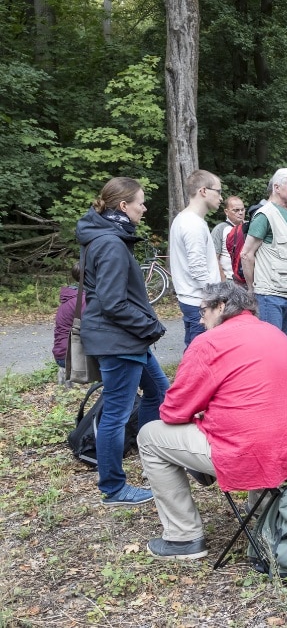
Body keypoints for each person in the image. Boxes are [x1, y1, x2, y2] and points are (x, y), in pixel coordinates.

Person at [137, 282, 287, 560]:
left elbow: (173, 411)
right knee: (258, 421)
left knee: (149, 435)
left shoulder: (208, 342)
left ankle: (183, 539)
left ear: (220, 306)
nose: (199, 317)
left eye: (203, 310)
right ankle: (267, 519)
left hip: (250, 449)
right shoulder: (273, 332)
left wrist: (199, 415)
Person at [75, 177, 170, 506]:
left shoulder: (105, 237)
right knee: (115, 414)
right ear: (122, 206)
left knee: (159, 391)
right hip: (119, 341)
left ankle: (152, 458)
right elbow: (113, 303)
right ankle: (113, 487)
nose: (144, 208)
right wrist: (149, 326)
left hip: (126, 340)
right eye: (140, 202)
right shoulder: (112, 243)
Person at [240, 168, 287, 338]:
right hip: (269, 294)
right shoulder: (265, 215)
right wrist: (252, 289)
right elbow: (246, 254)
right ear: (277, 187)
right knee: (271, 344)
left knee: (283, 344)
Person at [169, 170, 224, 347]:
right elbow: (198, 269)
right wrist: (214, 299)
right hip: (200, 303)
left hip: (195, 301)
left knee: (195, 353)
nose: (221, 198)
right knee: (199, 356)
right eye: (218, 191)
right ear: (203, 191)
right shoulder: (192, 224)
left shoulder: (186, 219)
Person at [52, 262, 85, 374]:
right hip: (70, 355)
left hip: (62, 352)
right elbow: (95, 327)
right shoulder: (82, 299)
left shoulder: (74, 294)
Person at [211, 196, 245, 280]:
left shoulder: (248, 227)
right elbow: (214, 257)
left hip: (247, 280)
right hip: (229, 279)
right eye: (236, 210)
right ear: (226, 212)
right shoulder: (220, 229)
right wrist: (223, 279)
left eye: (242, 209)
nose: (240, 213)